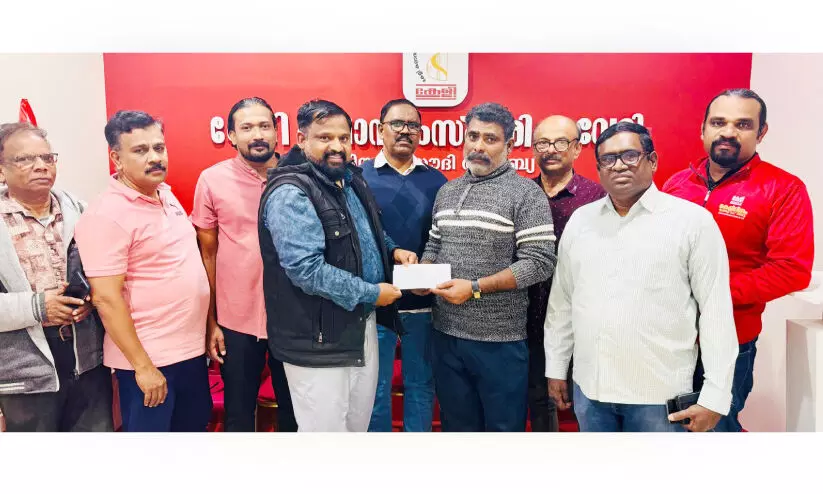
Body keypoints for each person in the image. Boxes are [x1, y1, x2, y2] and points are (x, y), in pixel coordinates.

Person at [545, 121, 739, 432]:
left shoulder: (692, 223)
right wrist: (556, 367)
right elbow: (562, 303)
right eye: (608, 159)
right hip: (590, 391)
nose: (619, 165)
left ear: (653, 160)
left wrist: (715, 395)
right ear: (599, 168)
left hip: (658, 395)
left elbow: (716, 312)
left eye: (630, 155)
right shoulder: (581, 221)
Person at [259, 99, 417, 432]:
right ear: (301, 139)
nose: (337, 146)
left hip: (359, 325)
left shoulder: (349, 178)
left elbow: (366, 230)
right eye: (325, 137)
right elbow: (307, 270)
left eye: (343, 138)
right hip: (317, 341)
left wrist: (393, 250)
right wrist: (372, 293)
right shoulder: (291, 192)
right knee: (325, 437)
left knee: (356, 428)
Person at [662, 88, 815, 432]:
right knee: (667, 431)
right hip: (669, 339)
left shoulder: (783, 188)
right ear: (703, 129)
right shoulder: (676, 184)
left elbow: (791, 270)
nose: (728, 132)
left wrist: (711, 294)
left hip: (730, 341)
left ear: (761, 132)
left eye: (743, 124)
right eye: (718, 122)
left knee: (716, 433)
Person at [417, 102, 556, 432]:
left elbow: (540, 263)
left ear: (509, 145)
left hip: (500, 342)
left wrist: (476, 288)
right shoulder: (447, 191)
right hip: (446, 336)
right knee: (457, 430)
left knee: (502, 435)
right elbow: (434, 246)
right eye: (473, 136)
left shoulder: (526, 194)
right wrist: (423, 273)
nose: (478, 146)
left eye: (490, 139)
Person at [75, 110, 212, 432]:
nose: (154, 158)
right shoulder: (106, 215)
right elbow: (106, 299)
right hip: (150, 363)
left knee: (192, 440)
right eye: (140, 150)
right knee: (151, 455)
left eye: (159, 148)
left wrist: (209, 326)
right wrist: (143, 367)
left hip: (190, 354)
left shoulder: (164, 194)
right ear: (116, 158)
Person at [192, 97, 296, 432]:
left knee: (295, 414)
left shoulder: (298, 175)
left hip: (293, 317)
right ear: (232, 136)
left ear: (277, 131)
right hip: (235, 321)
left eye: (264, 126)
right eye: (247, 127)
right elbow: (207, 255)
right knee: (238, 413)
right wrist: (210, 322)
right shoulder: (212, 180)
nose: (257, 134)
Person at [0, 122, 112, 432]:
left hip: (87, 361)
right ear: (1, 170)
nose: (41, 166)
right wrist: (38, 307)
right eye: (25, 159)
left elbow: (106, 274)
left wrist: (91, 299)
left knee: (94, 452)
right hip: (24, 375)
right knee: (38, 459)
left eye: (47, 157)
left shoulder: (82, 211)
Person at [361, 98, 447, 432]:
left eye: (412, 125)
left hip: (423, 303)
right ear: (380, 129)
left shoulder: (437, 181)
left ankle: (417, 454)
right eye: (397, 123)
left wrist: (429, 271)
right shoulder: (359, 178)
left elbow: (444, 237)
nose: (405, 131)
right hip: (376, 302)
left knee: (421, 385)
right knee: (375, 389)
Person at [525, 115, 606, 432]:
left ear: (577, 148)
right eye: (543, 143)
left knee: (588, 407)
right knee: (538, 403)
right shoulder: (522, 193)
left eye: (560, 142)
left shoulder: (597, 197)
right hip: (527, 318)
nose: (551, 150)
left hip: (579, 320)